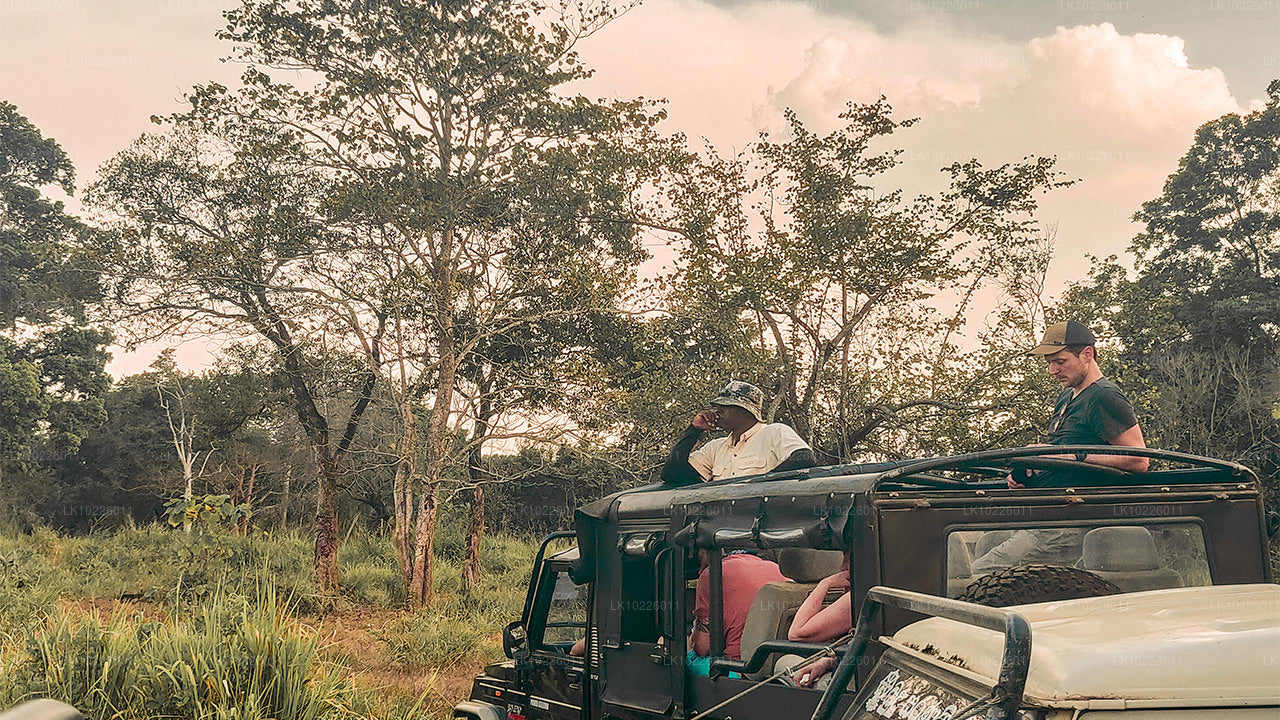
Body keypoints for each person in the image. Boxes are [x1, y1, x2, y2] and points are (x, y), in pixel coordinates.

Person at [973, 320, 1149, 573]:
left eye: (1060, 361)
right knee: (984, 543)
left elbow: (1139, 460)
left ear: (1087, 354)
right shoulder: (1068, 395)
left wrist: (1073, 456)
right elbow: (1066, 448)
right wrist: (1034, 464)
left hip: (1072, 519)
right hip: (1045, 510)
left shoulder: (1104, 396)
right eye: (1049, 363)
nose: (1052, 370)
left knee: (979, 571)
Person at [661, 380, 816, 486]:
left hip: (762, 520)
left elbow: (805, 458)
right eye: (717, 406)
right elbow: (671, 474)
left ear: (747, 411)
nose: (718, 410)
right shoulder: (715, 448)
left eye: (726, 406)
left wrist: (759, 485)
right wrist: (694, 430)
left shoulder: (774, 432)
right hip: (721, 522)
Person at [688, 549, 788, 671]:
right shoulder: (776, 568)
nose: (699, 571)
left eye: (699, 561)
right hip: (778, 662)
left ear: (716, 550)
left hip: (737, 667)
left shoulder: (712, 574)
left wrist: (693, 636)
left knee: (685, 657)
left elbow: (702, 648)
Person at [775, 558, 852, 689]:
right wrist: (826, 662)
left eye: (849, 559)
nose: (842, 567)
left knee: (784, 662)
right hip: (853, 675)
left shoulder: (853, 599)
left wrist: (825, 584)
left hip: (843, 687)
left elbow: (797, 634)